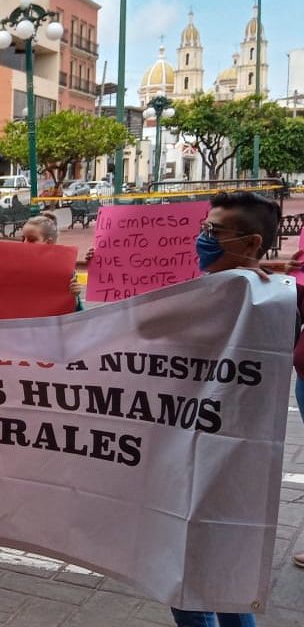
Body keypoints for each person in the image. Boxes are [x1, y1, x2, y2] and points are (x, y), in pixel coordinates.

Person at [168, 191, 286, 627]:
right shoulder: (269, 292)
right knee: (224, 573)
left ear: (252, 242)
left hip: (216, 458)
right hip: (211, 458)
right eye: (204, 228)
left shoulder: (261, 300)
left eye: (215, 232)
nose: (204, 238)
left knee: (186, 576)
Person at [0, 212, 83, 312]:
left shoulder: (62, 270)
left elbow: (75, 315)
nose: (25, 243)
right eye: (23, 239)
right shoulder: (14, 266)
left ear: (49, 242)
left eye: (31, 240)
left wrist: (75, 295)